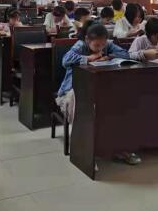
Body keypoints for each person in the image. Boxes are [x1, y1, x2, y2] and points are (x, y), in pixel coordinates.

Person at [56, 23, 139, 164]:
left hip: (99, 88)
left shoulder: (108, 45)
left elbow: (125, 54)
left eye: (103, 44)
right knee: (81, 104)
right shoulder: (80, 45)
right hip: (73, 89)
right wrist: (89, 58)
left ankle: (119, 147)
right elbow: (65, 60)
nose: (100, 48)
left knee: (119, 103)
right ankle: (83, 150)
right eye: (96, 45)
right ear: (87, 40)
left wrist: (108, 56)